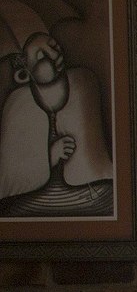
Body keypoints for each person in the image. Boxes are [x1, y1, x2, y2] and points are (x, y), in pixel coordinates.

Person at [0, 30, 116, 217]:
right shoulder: (17, 103)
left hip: (84, 191)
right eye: (41, 57)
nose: (54, 55)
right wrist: (50, 156)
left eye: (54, 46)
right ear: (25, 73)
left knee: (108, 198)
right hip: (36, 196)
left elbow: (94, 160)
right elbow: (11, 176)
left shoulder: (83, 82)